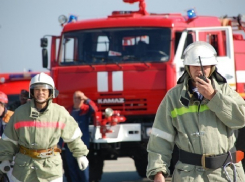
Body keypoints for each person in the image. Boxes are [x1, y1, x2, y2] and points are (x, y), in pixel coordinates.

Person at [146, 41, 245, 182]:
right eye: (195, 66)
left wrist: (213, 97)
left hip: (224, 174)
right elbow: (160, 137)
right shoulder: (173, 98)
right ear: (187, 67)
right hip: (189, 176)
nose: (200, 70)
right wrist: (158, 172)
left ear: (212, 68)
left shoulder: (225, 91)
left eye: (204, 66)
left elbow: (241, 119)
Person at [0, 72, 89, 182]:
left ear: (51, 92)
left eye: (44, 90)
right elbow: (9, 139)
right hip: (24, 170)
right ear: (32, 92)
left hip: (50, 169)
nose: (40, 93)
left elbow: (73, 137)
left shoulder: (60, 113)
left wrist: (80, 155)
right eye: (37, 89)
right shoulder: (20, 113)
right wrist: (5, 159)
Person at [64, 91, 98, 182]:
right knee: (71, 166)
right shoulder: (68, 111)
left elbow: (95, 109)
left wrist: (86, 98)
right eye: (75, 98)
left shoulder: (86, 110)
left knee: (82, 165)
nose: (77, 100)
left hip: (83, 143)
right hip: (69, 143)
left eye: (79, 98)